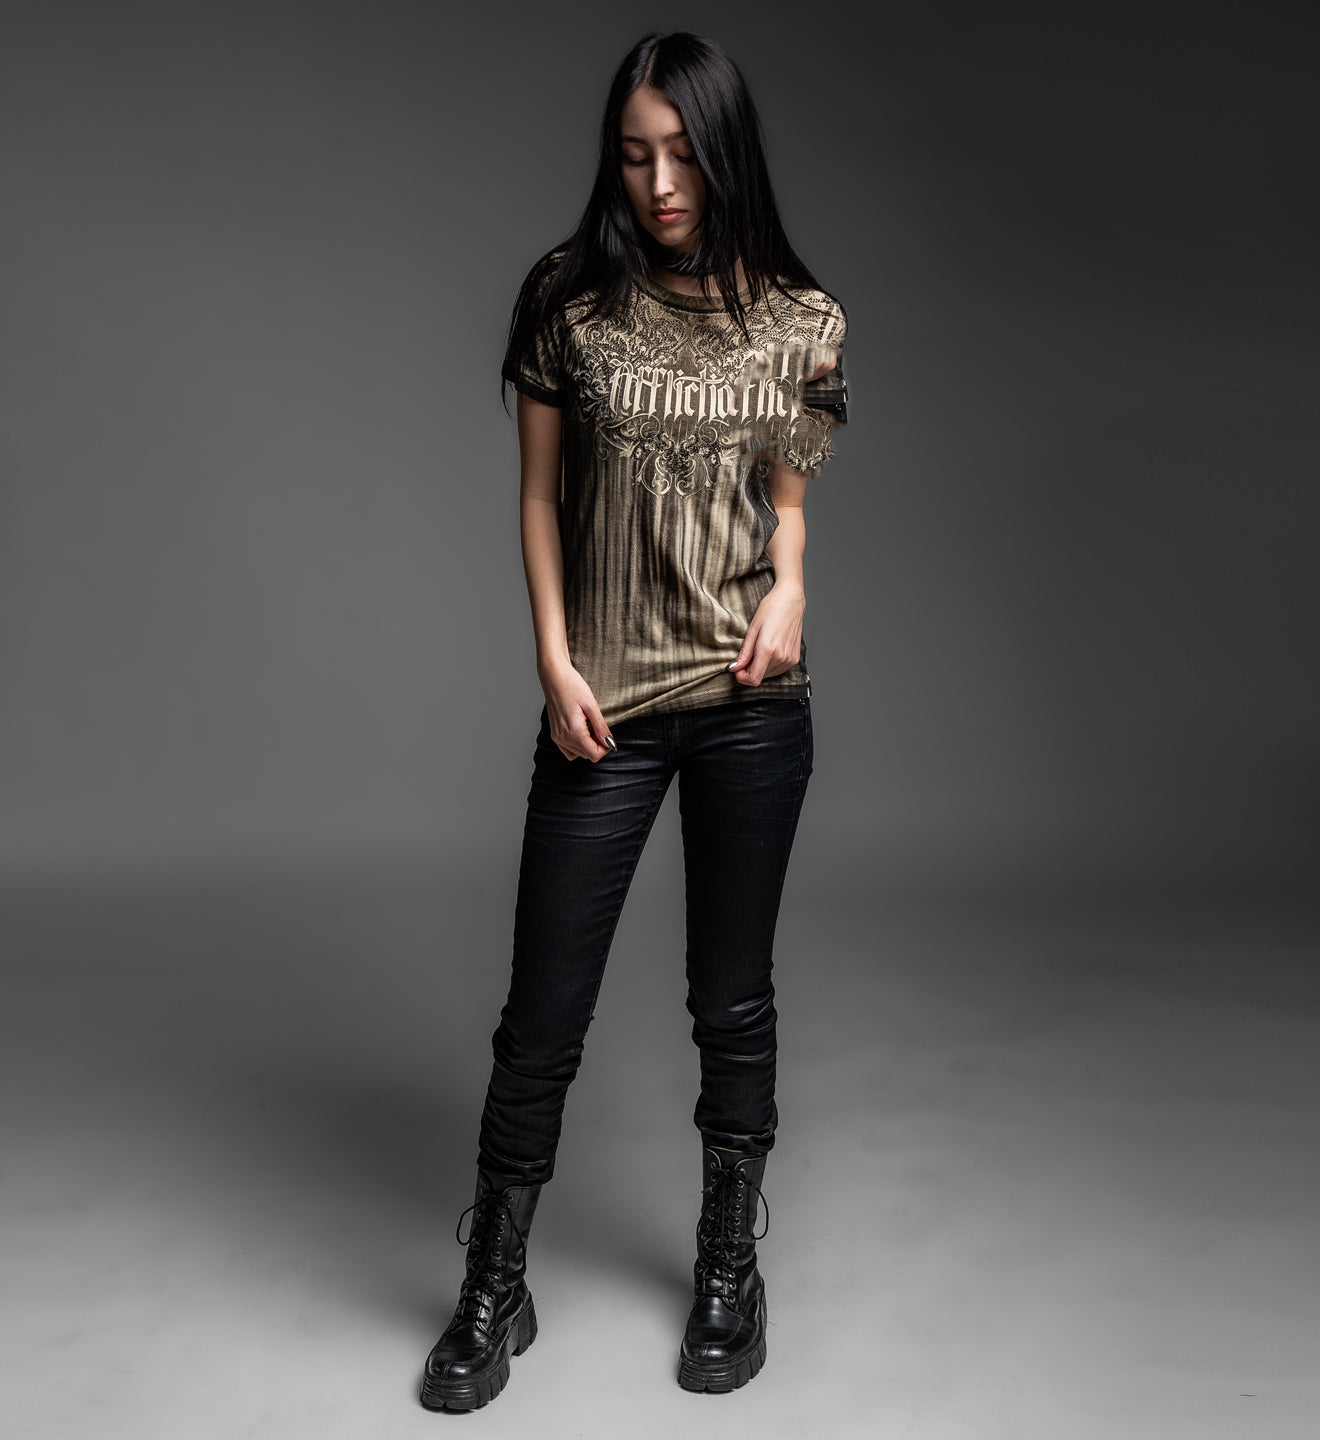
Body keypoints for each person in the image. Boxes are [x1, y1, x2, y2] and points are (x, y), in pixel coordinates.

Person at [419, 30, 848, 1411]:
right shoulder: (569, 299)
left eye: (683, 155)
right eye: (634, 155)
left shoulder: (800, 318)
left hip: (749, 706)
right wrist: (553, 659)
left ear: (726, 155)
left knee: (732, 1000)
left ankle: (730, 1264)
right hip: (602, 707)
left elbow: (787, 510)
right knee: (541, 1018)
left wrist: (792, 595)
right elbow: (538, 498)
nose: (660, 184)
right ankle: (495, 1280)